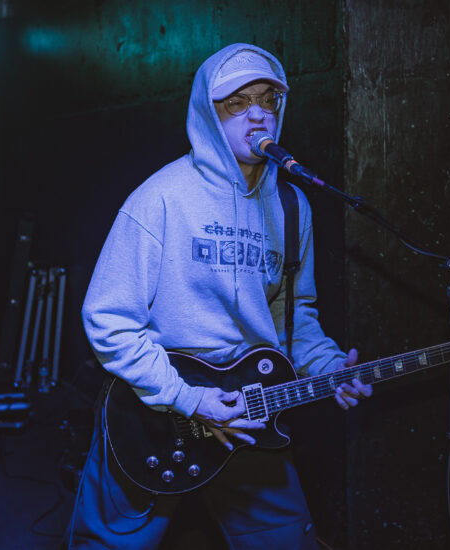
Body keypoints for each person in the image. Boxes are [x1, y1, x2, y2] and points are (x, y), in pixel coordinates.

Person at [68, 43, 372, 550]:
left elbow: (291, 315)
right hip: (154, 412)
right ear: (208, 113)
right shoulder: (160, 198)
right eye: (237, 102)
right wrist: (189, 399)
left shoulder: (292, 207)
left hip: (249, 408)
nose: (258, 114)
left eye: (269, 99)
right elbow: (108, 320)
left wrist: (328, 366)